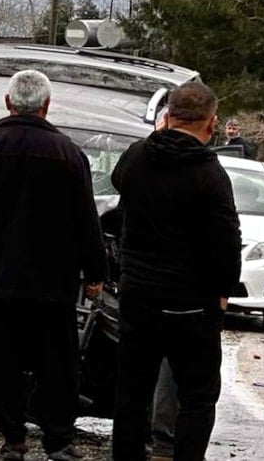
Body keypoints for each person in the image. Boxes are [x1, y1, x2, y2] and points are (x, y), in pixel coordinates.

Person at [0, 70, 106, 461]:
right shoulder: (69, 154)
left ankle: (13, 437)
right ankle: (58, 440)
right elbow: (86, 218)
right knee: (57, 364)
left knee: (0, 363)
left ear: (8, 103)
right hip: (52, 283)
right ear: (46, 106)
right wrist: (95, 272)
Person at [110, 82, 242, 461]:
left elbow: (118, 182)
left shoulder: (137, 157)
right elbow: (226, 238)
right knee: (198, 396)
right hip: (192, 304)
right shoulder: (210, 174)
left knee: (132, 392)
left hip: (140, 295)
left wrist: (155, 137)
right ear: (211, 123)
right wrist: (223, 290)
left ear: (168, 117)